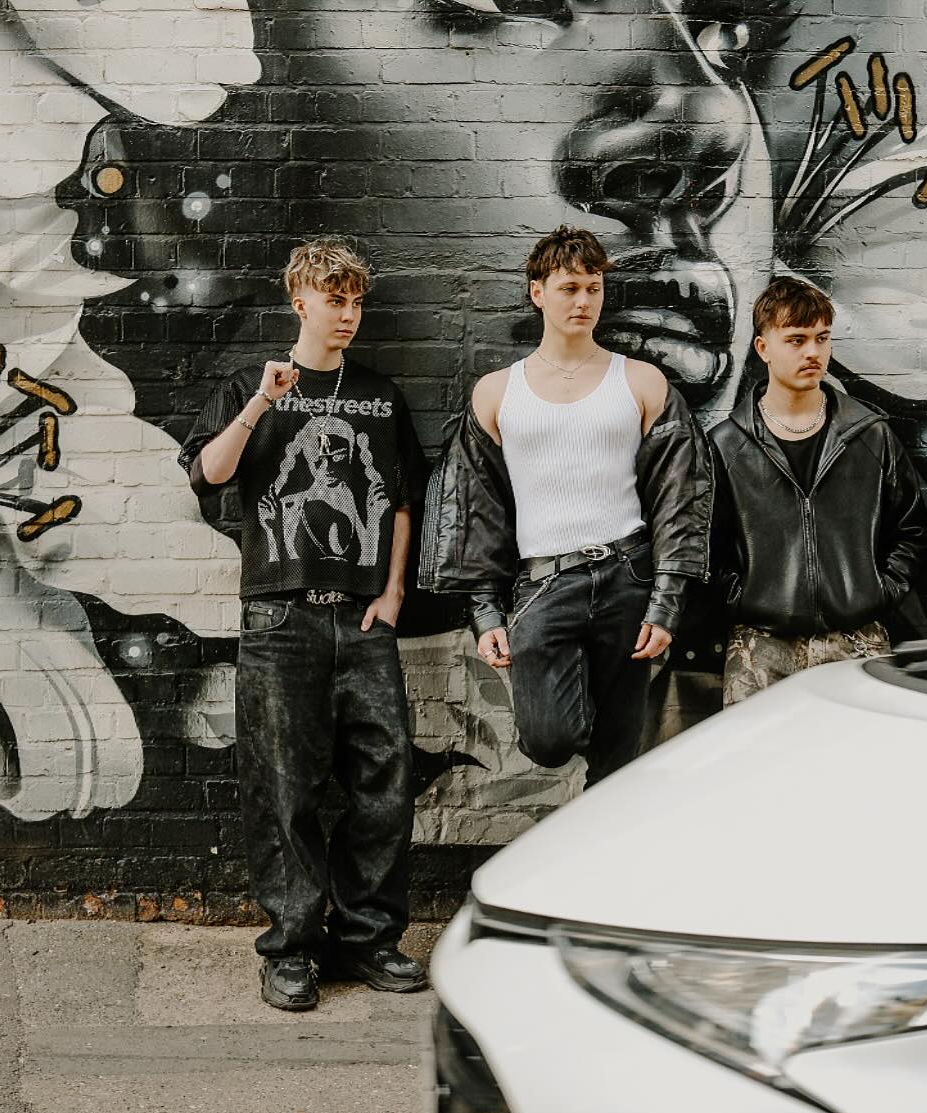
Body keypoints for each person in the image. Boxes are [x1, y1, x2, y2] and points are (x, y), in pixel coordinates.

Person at [177, 237, 429, 1012]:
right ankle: (291, 948)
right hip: (278, 619)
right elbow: (207, 475)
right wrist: (261, 400)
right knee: (283, 785)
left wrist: (391, 595)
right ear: (301, 302)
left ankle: (368, 937)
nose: (348, 314)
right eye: (334, 299)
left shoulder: (380, 397)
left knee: (385, 776)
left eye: (355, 301)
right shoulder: (248, 388)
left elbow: (401, 501)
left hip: (361, 621)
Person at [420, 225, 711, 786]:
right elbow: (476, 509)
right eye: (569, 288)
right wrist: (485, 611)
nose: (584, 301)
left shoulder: (643, 381)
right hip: (543, 583)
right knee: (547, 738)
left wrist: (666, 601)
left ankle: (603, 864)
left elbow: (681, 495)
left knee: (618, 757)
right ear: (538, 293)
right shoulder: (497, 391)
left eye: (594, 288)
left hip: (628, 574)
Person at [709, 277, 927, 704]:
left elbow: (912, 529)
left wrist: (878, 592)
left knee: (857, 766)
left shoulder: (870, 435)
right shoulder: (727, 445)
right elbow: (707, 547)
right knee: (758, 766)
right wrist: (743, 600)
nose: (813, 352)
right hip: (761, 646)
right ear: (763, 348)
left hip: (856, 640)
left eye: (821, 338)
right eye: (796, 339)